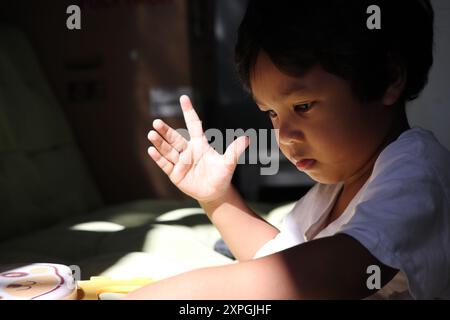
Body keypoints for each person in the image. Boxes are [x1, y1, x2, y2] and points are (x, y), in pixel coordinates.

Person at [125, 0, 450, 299]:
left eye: (303, 106)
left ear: (389, 78)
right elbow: (279, 260)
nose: (284, 135)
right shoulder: (335, 187)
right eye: (271, 113)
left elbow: (319, 278)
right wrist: (217, 198)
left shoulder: (417, 171)